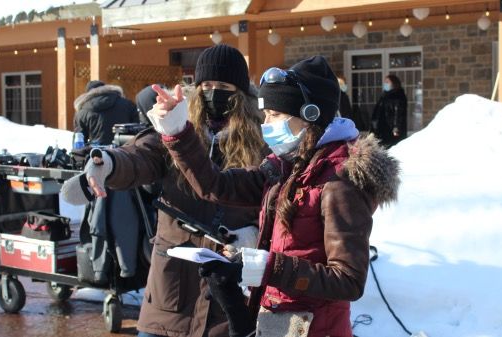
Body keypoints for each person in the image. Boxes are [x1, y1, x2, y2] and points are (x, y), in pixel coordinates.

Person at [145, 56, 401, 337]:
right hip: (282, 324)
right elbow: (216, 185)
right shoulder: (287, 166)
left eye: (275, 115)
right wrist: (178, 131)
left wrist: (268, 267)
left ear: (310, 115)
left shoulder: (338, 181)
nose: (266, 124)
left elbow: (348, 280)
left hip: (317, 327)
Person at [62, 44, 267, 337]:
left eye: (223, 85)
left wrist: (252, 235)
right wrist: (107, 163)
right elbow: (139, 157)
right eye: (206, 84)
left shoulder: (260, 140)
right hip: (171, 290)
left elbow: (269, 200)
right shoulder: (175, 127)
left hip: (227, 297)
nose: (212, 92)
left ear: (241, 92)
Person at [73, 80, 139, 145]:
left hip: (97, 153)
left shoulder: (82, 111)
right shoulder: (127, 104)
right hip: (124, 151)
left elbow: (79, 140)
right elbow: (138, 128)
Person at [371, 74, 408, 147]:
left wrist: (396, 128)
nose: (385, 84)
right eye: (385, 82)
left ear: (394, 83)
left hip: (391, 130)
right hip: (382, 129)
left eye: (387, 82)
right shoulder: (384, 96)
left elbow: (399, 114)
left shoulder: (398, 96)